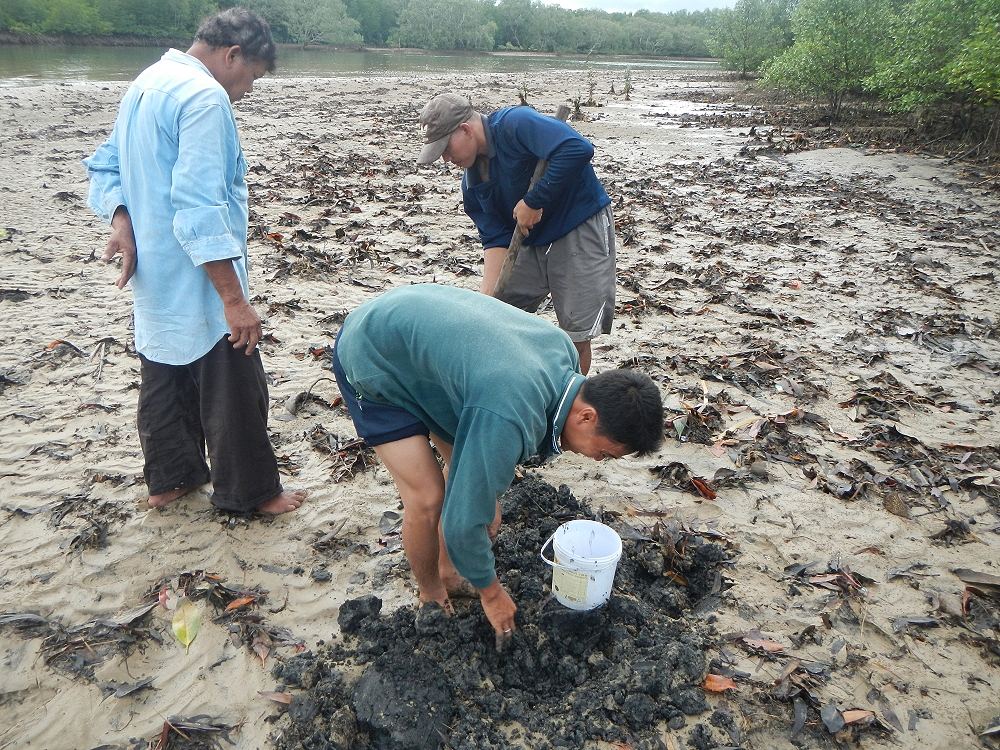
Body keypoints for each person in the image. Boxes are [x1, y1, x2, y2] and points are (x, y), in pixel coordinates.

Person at [332, 284, 663, 645]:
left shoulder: (563, 353)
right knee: (428, 497)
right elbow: (463, 524)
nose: (599, 460)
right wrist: (491, 593)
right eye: (607, 452)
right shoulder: (510, 414)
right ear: (586, 416)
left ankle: (449, 570)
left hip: (419, 342)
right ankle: (430, 592)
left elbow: (483, 439)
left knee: (469, 479)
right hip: (373, 351)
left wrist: (485, 496)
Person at [83, 8, 305, 515]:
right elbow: (199, 206)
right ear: (232, 56)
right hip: (198, 274)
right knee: (233, 377)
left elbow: (107, 165)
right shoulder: (204, 98)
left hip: (154, 273)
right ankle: (252, 494)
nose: (247, 90)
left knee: (163, 373)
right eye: (251, 77)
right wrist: (234, 298)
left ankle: (171, 481)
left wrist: (121, 219)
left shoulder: (149, 81)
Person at [417, 92, 616, 375]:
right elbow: (495, 241)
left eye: (446, 149)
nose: (446, 159)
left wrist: (535, 200)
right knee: (496, 318)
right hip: (531, 237)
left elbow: (577, 149)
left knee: (575, 333)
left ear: (465, 129)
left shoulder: (515, 123)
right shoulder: (472, 185)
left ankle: (571, 403)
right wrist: (486, 301)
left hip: (577, 225)